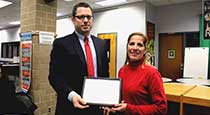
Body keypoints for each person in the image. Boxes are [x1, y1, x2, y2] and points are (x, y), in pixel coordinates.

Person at [48, 2, 109, 115]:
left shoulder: (101, 44)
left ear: (92, 19)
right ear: (73, 20)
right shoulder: (61, 44)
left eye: (88, 17)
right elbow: (54, 76)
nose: (85, 20)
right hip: (71, 107)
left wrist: (106, 100)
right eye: (81, 17)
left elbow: (105, 73)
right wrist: (71, 95)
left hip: (96, 107)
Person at [103, 32, 167, 115]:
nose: (135, 48)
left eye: (139, 45)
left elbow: (161, 108)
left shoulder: (152, 73)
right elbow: (123, 101)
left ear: (144, 50)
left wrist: (128, 108)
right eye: (132, 44)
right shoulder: (122, 71)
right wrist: (113, 108)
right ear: (127, 47)